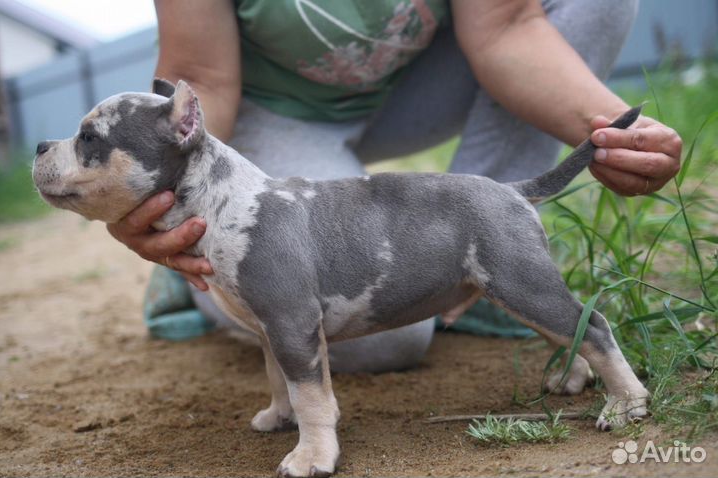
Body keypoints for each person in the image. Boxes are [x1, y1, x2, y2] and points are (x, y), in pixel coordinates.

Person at [108, 0, 682, 373]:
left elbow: (508, 27)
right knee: (381, 342)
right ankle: (199, 276)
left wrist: (609, 130)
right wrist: (168, 213)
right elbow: (200, 79)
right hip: (270, 111)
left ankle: (486, 264)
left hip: (414, 88)